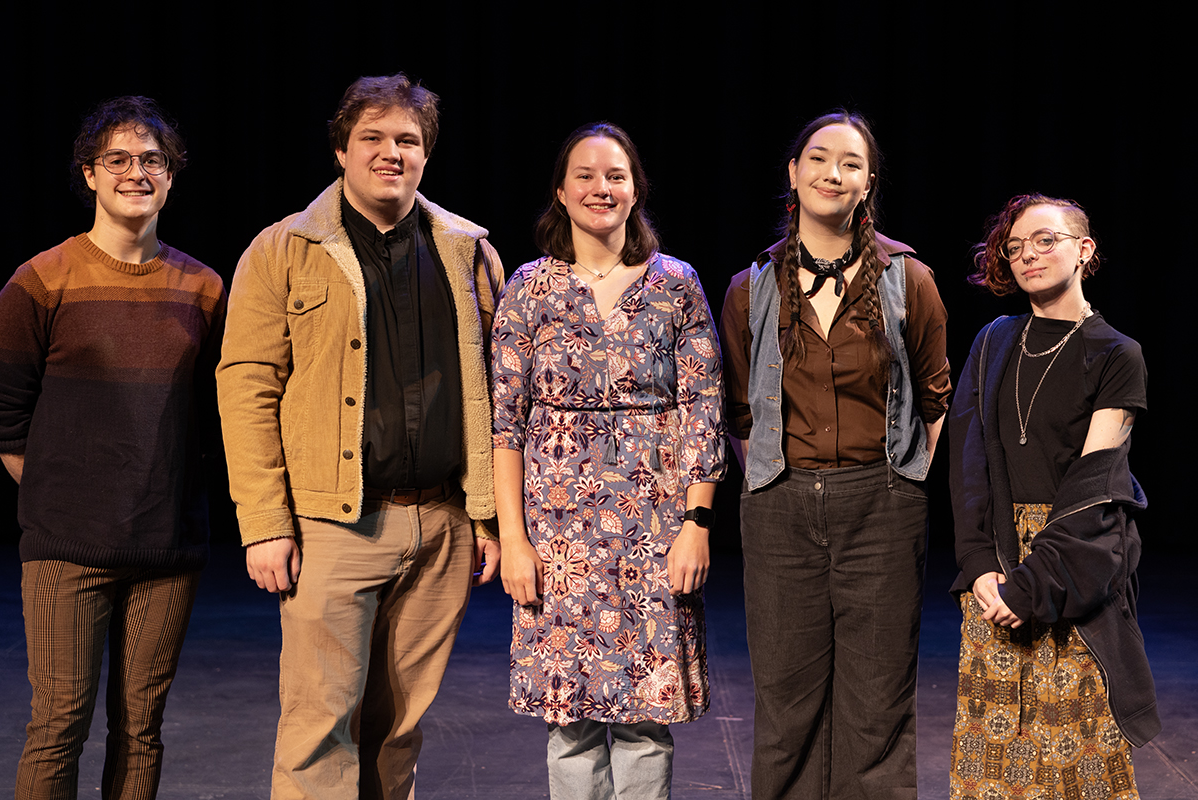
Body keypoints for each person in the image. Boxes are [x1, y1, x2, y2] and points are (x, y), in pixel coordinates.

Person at [216, 74, 504, 799]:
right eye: (372, 138)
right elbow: (246, 389)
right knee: (319, 726)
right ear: (341, 149)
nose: (390, 153)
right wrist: (263, 525)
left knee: (399, 727)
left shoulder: (469, 252)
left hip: (443, 523)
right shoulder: (283, 248)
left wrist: (489, 518)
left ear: (426, 155)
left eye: (407, 140)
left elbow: (503, 398)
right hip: (332, 524)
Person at [718, 110, 951, 799]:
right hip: (781, 507)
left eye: (850, 163)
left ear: (867, 182)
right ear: (794, 173)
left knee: (877, 700)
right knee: (786, 700)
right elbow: (737, 407)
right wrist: (768, 480)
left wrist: (903, 482)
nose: (833, 173)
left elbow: (934, 398)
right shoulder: (751, 286)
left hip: (880, 507)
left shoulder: (910, 279)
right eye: (819, 158)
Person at [0, 96, 225, 799]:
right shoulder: (40, 281)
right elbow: (8, 422)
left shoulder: (206, 288)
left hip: (166, 548)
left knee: (141, 727)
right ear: (89, 175)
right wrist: (69, 501)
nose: (136, 172)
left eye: (152, 160)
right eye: (117, 160)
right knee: (59, 722)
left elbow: (221, 417)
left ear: (171, 177)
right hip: (67, 549)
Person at [492, 122, 725, 799]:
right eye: (586, 175)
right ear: (561, 192)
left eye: (615, 175)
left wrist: (696, 524)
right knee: (570, 721)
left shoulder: (675, 285)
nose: (602, 187)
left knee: (647, 717)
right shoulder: (530, 288)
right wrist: (513, 540)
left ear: (635, 189)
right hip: (557, 531)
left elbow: (703, 412)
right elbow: (505, 424)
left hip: (653, 530)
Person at [948, 194, 1159, 800]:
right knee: (993, 764)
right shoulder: (993, 342)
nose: (1027, 255)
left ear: (1084, 250)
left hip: (1075, 561)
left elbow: (1097, 482)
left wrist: (1035, 583)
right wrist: (980, 566)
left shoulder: (1117, 354)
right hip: (997, 564)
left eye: (1045, 240)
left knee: (1076, 761)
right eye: (1014, 247)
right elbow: (969, 464)